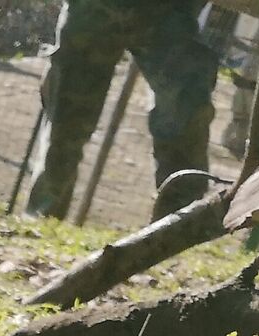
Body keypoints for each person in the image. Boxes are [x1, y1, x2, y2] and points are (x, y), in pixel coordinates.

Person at [25, 0, 218, 219]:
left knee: (185, 112)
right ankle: (41, 221)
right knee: (66, 121)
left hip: (170, 10)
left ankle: (173, 232)